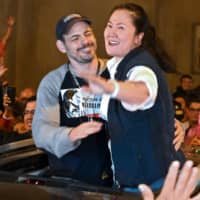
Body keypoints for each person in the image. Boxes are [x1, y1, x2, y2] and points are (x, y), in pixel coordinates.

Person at [80, 2, 185, 188]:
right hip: (127, 180)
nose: (111, 32)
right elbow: (75, 106)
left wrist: (112, 88)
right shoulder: (111, 68)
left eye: (121, 27)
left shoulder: (141, 66)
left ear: (138, 38)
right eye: (109, 25)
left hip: (156, 186)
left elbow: (142, 92)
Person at [32, 13, 113, 186]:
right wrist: (70, 134)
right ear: (61, 46)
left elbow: (145, 102)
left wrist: (174, 125)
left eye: (87, 33)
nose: (85, 41)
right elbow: (41, 131)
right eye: (75, 38)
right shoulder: (53, 82)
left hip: (117, 183)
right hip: (71, 184)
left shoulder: (116, 71)